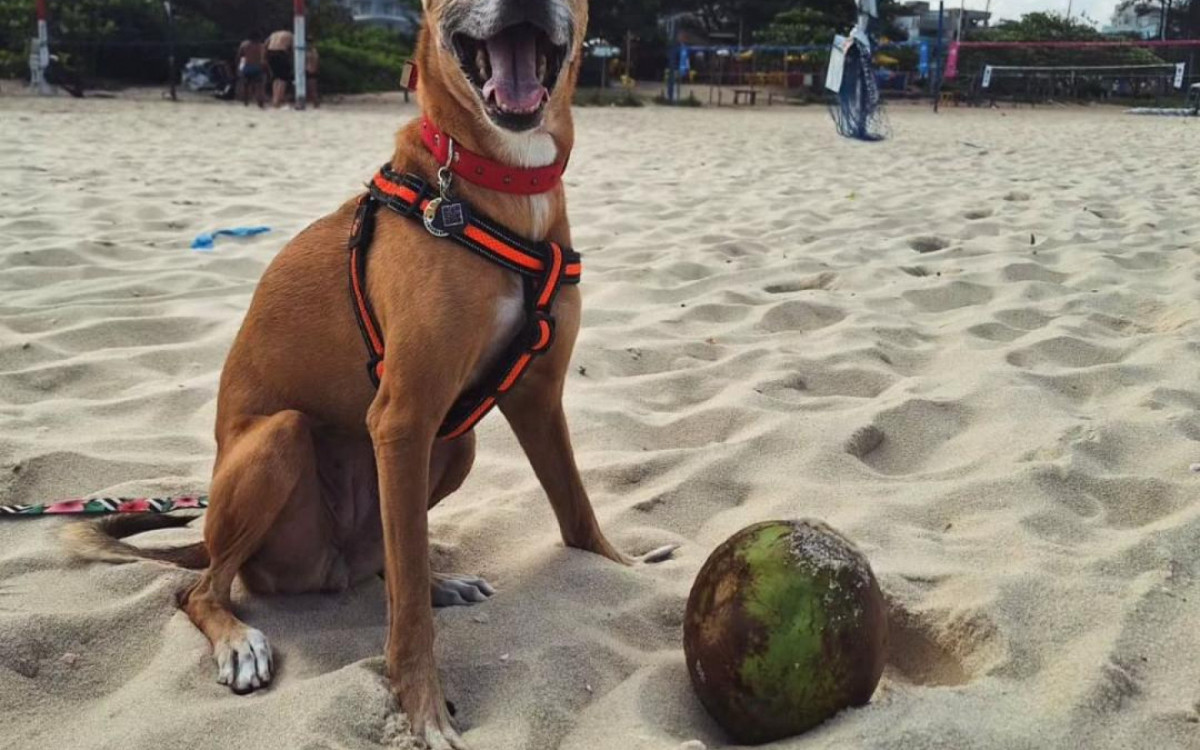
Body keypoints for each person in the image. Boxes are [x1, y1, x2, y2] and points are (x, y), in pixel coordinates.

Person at [236, 29, 267, 107]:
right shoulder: (261, 46)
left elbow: (239, 56)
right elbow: (263, 60)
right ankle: (260, 104)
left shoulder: (244, 45)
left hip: (246, 67)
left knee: (246, 85)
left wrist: (239, 67)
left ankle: (246, 102)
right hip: (257, 67)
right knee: (259, 86)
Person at [266, 29, 294, 108]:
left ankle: (274, 99)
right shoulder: (290, 35)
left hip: (270, 52)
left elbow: (265, 44)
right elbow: (293, 48)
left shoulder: (273, 34)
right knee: (283, 78)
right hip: (281, 53)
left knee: (276, 77)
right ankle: (278, 100)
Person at [304, 37, 320, 109]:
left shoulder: (313, 51)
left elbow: (315, 61)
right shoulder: (307, 51)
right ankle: (314, 102)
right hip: (307, 70)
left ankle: (316, 103)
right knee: (309, 88)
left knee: (312, 88)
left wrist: (314, 69)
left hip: (311, 71)